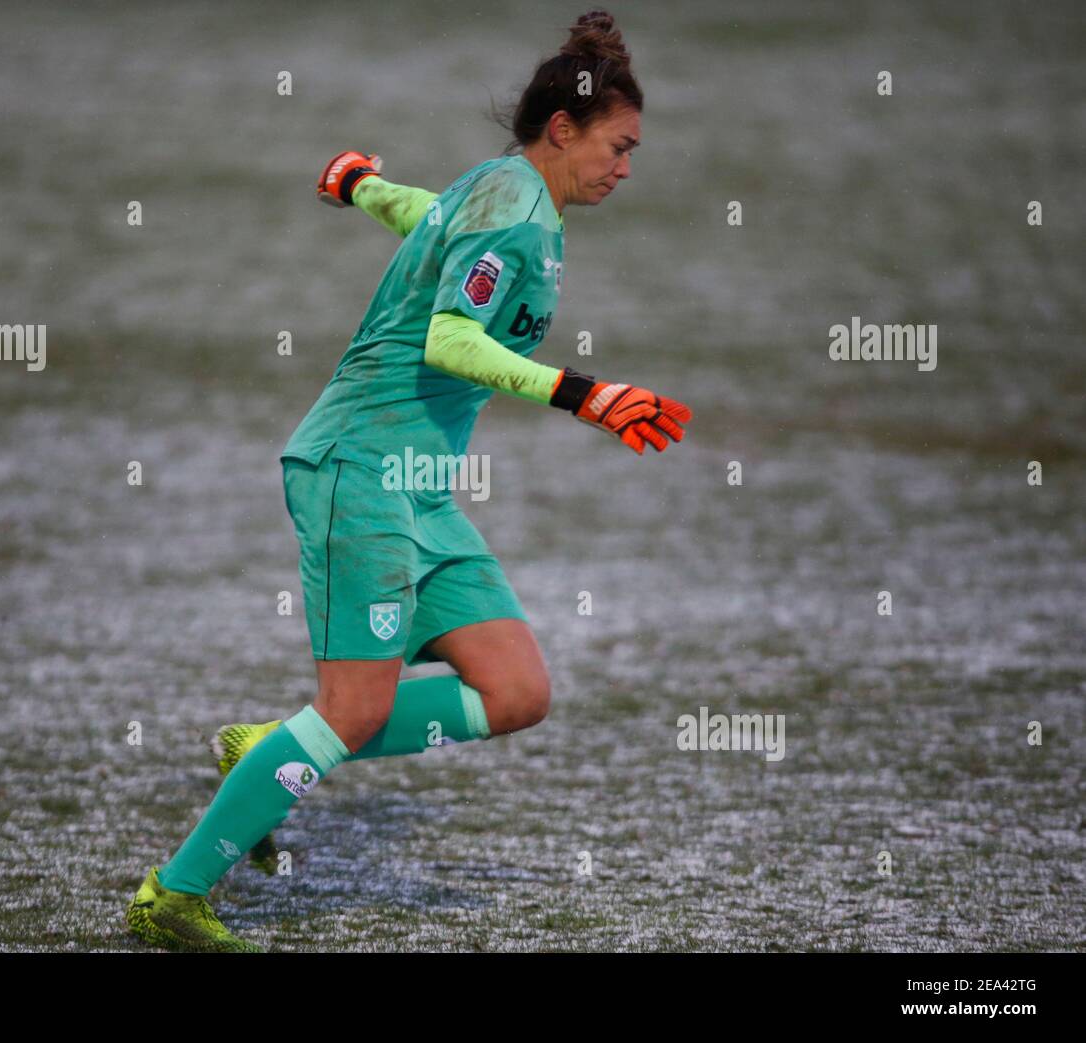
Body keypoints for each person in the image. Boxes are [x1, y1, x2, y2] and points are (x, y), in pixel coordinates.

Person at [127, 8, 692, 952]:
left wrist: (362, 186)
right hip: (358, 469)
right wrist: (585, 394)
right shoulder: (514, 216)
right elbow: (449, 338)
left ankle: (271, 750)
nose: (627, 167)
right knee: (355, 709)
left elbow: (428, 218)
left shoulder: (507, 193)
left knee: (515, 690)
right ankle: (173, 896)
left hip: (420, 486)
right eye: (620, 146)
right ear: (565, 128)